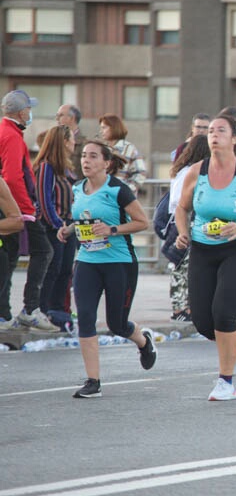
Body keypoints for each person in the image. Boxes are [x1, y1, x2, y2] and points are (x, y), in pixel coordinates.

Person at [174, 114, 236, 401]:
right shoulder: (197, 171)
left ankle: (226, 381)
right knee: (204, 323)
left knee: (224, 313)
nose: (213, 134)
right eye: (210, 131)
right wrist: (183, 233)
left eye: (221, 130)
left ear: (235, 139)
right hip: (203, 249)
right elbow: (182, 209)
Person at [57, 141, 155, 398]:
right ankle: (93, 381)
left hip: (119, 263)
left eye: (92, 157)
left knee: (116, 324)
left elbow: (142, 222)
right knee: (86, 318)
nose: (85, 161)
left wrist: (113, 230)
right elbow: (82, 220)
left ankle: (143, 342)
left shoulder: (118, 190)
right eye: (84, 157)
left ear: (106, 163)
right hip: (88, 262)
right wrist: (68, 229)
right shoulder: (78, 188)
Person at [0, 90, 57, 331]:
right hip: (15, 207)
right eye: (29, 109)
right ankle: (30, 308)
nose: (30, 113)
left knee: (9, 258)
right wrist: (25, 210)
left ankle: (4, 314)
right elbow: (13, 177)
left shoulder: (5, 131)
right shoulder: (12, 136)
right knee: (43, 251)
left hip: (7, 206)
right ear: (22, 112)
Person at [33, 125, 77, 328]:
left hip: (68, 226)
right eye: (71, 139)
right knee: (53, 268)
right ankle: (43, 309)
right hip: (52, 227)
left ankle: (58, 310)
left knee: (66, 269)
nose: (74, 143)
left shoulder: (65, 169)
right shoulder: (46, 167)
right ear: (63, 142)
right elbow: (44, 200)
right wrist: (58, 224)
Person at [166, 135, 211, 322]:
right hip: (183, 224)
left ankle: (188, 307)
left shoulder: (184, 171)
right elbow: (177, 203)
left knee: (187, 268)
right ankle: (180, 309)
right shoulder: (188, 173)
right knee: (181, 267)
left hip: (185, 222)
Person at [97, 114, 146, 194]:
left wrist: (126, 189)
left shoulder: (129, 148)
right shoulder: (101, 148)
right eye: (101, 128)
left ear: (114, 128)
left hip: (121, 199)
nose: (101, 131)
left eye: (104, 128)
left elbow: (141, 173)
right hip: (102, 196)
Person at [56, 103, 85, 179]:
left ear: (72, 118)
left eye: (61, 115)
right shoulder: (54, 140)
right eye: (57, 115)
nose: (57, 119)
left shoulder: (84, 145)